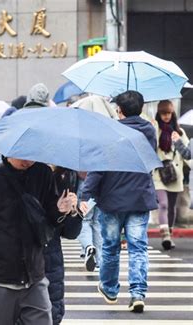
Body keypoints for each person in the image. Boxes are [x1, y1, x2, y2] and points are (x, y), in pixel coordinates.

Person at [0, 157, 78, 325]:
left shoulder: (42, 173)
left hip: (35, 277)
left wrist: (60, 210)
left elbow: (49, 222)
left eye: (31, 156)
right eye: (22, 156)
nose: (27, 161)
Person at [79, 90, 157, 313]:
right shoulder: (149, 130)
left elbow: (99, 166)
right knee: (138, 248)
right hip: (140, 197)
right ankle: (138, 293)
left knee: (111, 248)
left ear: (119, 110)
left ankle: (111, 290)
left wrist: (86, 195)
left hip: (112, 200)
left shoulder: (110, 131)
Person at [47, 167, 82, 324]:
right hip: (24, 264)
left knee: (53, 315)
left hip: (51, 261)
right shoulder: (26, 176)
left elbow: (70, 232)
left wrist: (73, 211)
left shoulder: (66, 176)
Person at [152, 100, 189, 250]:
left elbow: (187, 154)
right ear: (159, 114)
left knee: (172, 207)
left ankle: (170, 233)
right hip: (158, 173)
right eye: (163, 113)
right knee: (163, 204)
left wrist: (178, 141)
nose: (166, 116)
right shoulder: (155, 130)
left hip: (175, 174)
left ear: (172, 114)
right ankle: (165, 235)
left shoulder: (179, 132)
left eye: (168, 113)